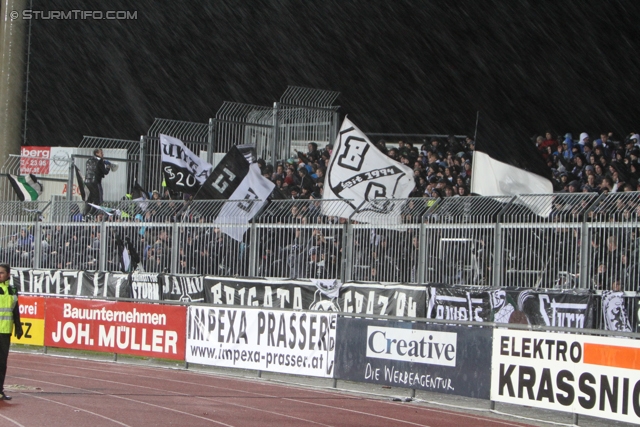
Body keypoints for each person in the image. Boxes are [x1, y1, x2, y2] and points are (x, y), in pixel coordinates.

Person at [0, 264, 22, 401]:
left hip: (5, 331)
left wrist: (18, 327)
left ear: (8, 274)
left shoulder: (13, 289)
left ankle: (0, 390)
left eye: (1, 273)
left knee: (2, 363)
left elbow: (15, 310)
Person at [84, 148, 111, 217]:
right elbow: (105, 172)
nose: (103, 154)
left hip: (87, 181)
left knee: (90, 198)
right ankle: (91, 214)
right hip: (95, 182)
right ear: (97, 153)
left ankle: (84, 214)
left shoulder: (89, 160)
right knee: (98, 199)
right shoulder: (100, 161)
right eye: (101, 153)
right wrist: (108, 166)